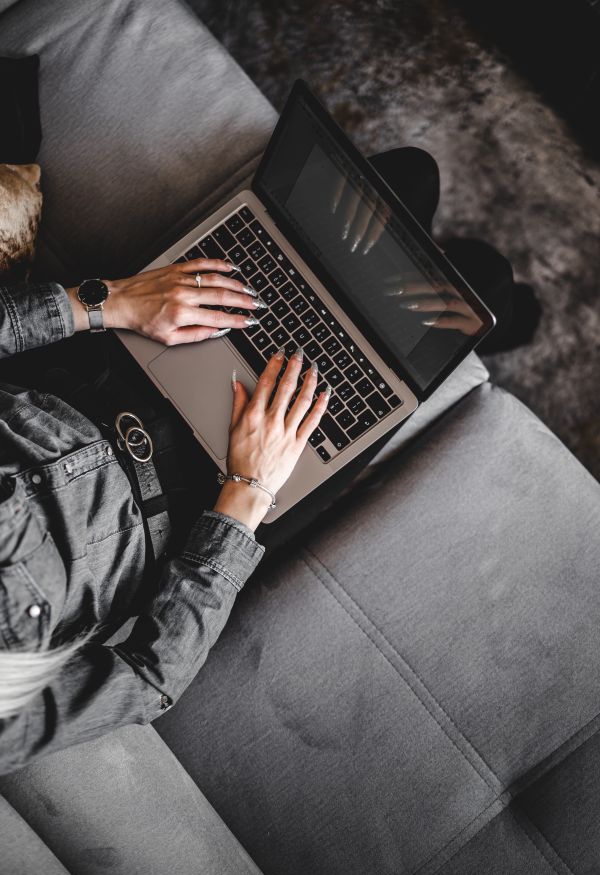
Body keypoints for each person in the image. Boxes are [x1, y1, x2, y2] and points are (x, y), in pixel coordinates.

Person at [0, 146, 537, 775]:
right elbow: (146, 681)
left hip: (101, 363)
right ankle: (493, 314)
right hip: (200, 495)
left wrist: (104, 301)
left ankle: (479, 303)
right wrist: (247, 495)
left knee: (405, 174)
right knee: (476, 288)